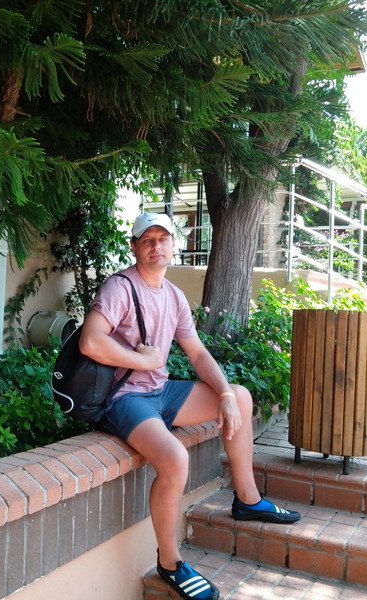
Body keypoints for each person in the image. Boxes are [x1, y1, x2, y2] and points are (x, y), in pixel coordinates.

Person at [79, 212, 300, 600]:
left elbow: (196, 353)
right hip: (124, 399)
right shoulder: (120, 287)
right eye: (147, 240)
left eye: (163, 239)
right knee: (175, 459)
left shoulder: (173, 295)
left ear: (173, 245)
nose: (156, 246)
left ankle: (248, 500)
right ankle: (170, 563)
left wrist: (225, 394)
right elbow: (90, 341)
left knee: (241, 396)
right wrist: (144, 361)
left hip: (161, 393)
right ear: (134, 247)